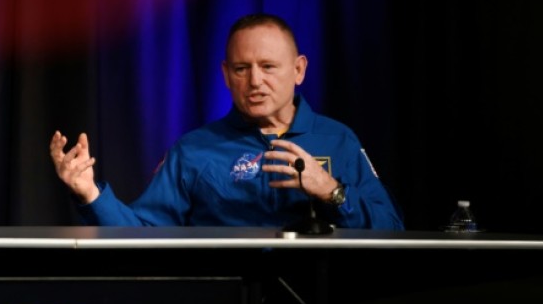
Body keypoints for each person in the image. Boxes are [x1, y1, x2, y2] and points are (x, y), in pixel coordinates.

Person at [49, 13, 403, 230]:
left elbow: (391, 228)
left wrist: (330, 190)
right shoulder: (195, 151)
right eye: (241, 68)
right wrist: (90, 194)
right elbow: (141, 234)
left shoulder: (337, 139)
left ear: (298, 70)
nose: (254, 81)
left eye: (268, 67)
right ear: (226, 75)